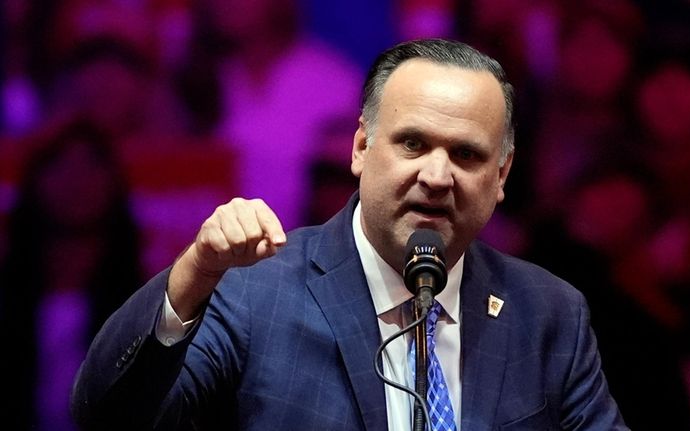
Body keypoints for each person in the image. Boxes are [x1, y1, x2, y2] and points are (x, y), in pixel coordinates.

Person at [70, 38, 627, 430]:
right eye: (412, 144)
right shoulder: (254, 292)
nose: (436, 176)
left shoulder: (548, 312)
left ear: (500, 176)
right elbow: (110, 416)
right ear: (361, 148)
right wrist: (194, 272)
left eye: (465, 154)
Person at [0, 117, 143, 430]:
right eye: (61, 164)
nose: (77, 180)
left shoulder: (143, 301)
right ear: (36, 180)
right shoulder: (9, 294)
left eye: (92, 165)